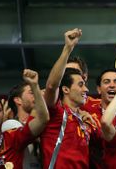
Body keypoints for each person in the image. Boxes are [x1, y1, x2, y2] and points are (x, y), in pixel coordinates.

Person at [41, 28, 95, 169]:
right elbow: (52, 86)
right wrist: (68, 48)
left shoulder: (85, 120)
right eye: (81, 85)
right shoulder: (57, 112)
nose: (87, 90)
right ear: (65, 89)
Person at [0, 69, 49, 169]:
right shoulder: (11, 124)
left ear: (3, 114)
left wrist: (35, 86)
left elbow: (42, 119)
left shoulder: (12, 137)